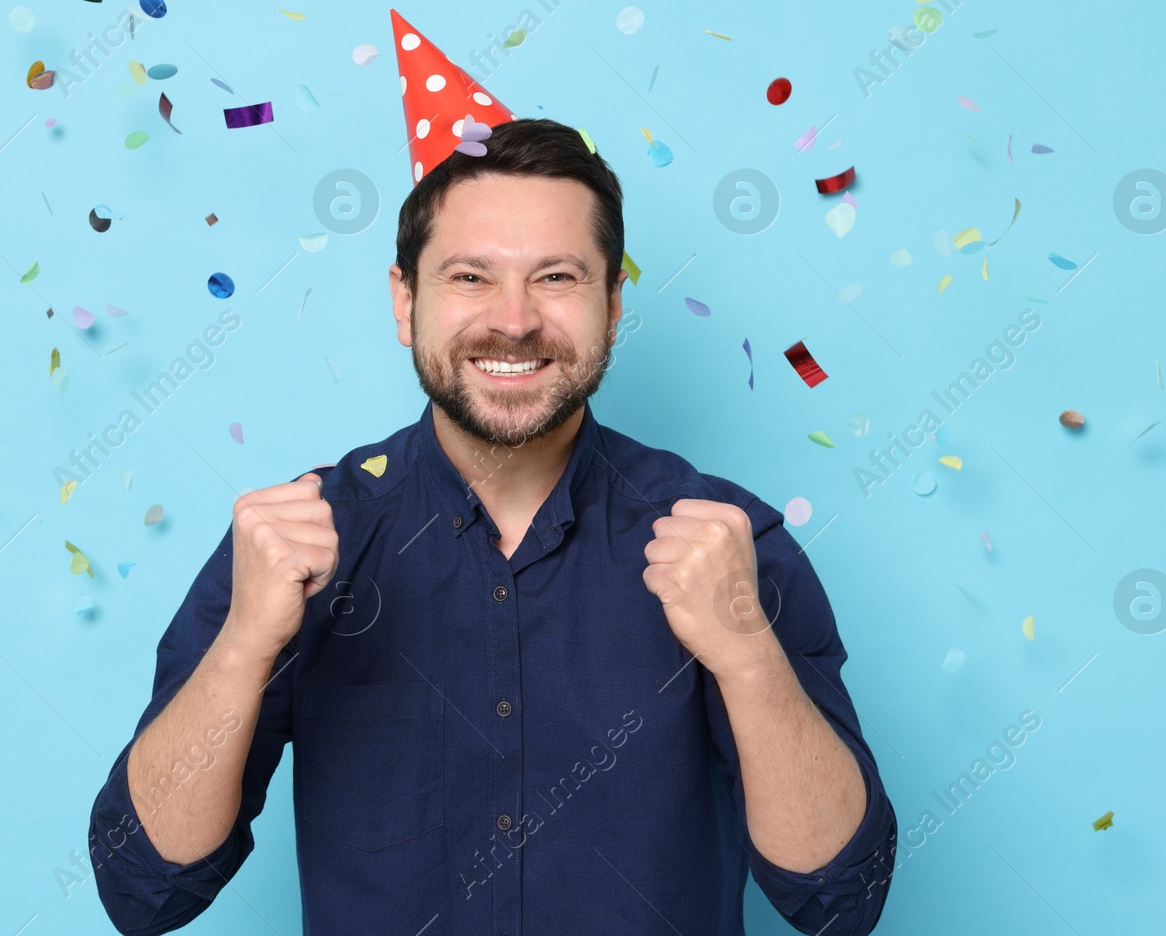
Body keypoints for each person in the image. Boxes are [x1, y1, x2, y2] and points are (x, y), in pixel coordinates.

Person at [87, 116, 897, 934]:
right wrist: (245, 643)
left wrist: (748, 651)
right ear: (407, 301)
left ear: (613, 303)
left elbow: (839, 900)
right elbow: (145, 886)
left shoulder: (728, 543)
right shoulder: (295, 540)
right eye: (471, 277)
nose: (513, 320)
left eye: (556, 277)